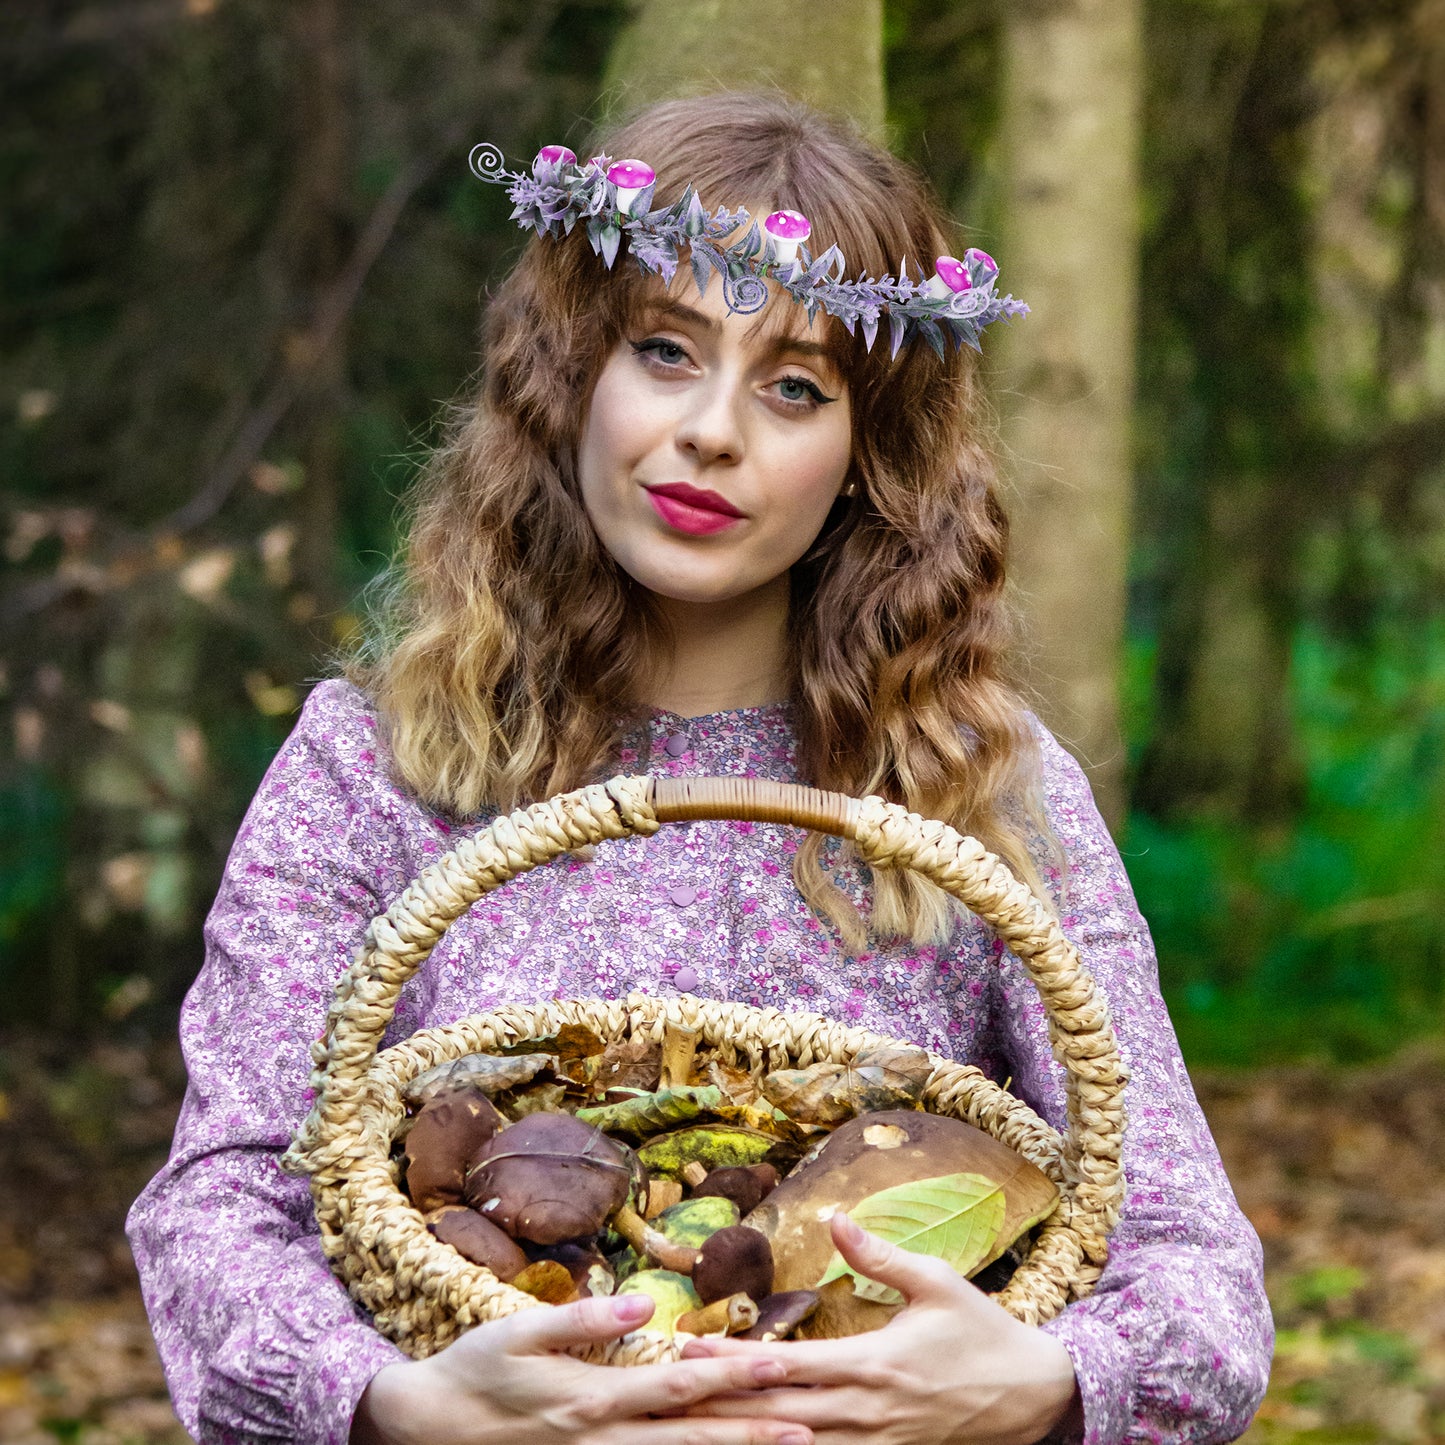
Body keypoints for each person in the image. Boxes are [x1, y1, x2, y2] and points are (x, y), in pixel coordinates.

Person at [126, 92, 1273, 1445]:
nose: (713, 431)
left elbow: (1196, 1277)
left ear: (866, 456)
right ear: (571, 377)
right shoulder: (375, 766)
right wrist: (397, 1403)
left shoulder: (979, 785)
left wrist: (1039, 1382)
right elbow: (218, 1211)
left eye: (794, 385)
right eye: (664, 351)